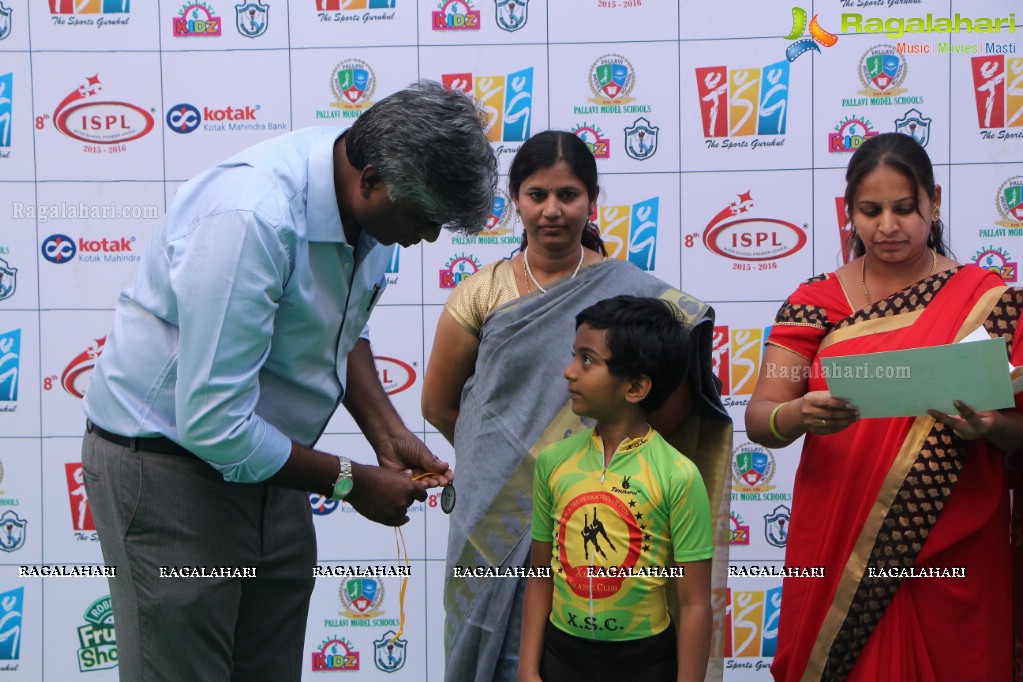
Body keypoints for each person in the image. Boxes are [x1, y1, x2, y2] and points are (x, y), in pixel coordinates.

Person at [80, 80, 498, 682]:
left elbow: (338, 327)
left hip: (267, 464)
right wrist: (351, 483)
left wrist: (387, 433)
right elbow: (213, 424)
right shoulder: (252, 216)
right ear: (373, 179)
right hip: (169, 468)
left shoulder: (371, 202)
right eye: (423, 219)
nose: (427, 238)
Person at [421, 130, 733, 682]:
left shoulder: (632, 297)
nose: (552, 211)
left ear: (591, 200)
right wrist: (505, 464)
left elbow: (675, 398)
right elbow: (441, 405)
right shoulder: (481, 292)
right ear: (514, 199)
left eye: (568, 195)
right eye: (536, 194)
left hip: (599, 510)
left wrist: (599, 466)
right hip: (488, 515)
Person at [745, 132, 1023, 681]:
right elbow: (761, 417)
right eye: (870, 211)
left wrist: (988, 425)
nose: (888, 226)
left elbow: (1018, 430)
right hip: (840, 534)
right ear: (849, 211)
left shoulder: (987, 300)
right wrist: (800, 415)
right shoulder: (815, 300)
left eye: (904, 208)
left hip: (953, 538)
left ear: (934, 201)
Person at [519, 295, 713, 682]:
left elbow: (693, 603)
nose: (569, 372)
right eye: (574, 355)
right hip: (561, 657)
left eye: (587, 360)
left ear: (636, 386)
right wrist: (527, 670)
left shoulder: (678, 475)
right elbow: (541, 573)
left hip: (644, 663)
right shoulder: (553, 462)